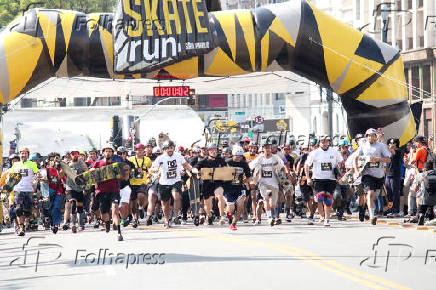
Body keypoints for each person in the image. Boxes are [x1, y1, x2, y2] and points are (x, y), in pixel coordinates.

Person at [151, 140, 192, 228]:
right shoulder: (160, 158)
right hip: (164, 182)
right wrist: (155, 172)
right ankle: (166, 220)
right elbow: (152, 169)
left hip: (176, 181)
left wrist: (192, 170)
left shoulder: (178, 156)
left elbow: (186, 165)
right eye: (167, 148)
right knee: (165, 204)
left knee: (176, 196)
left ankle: (175, 216)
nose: (169, 150)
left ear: (173, 148)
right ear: (164, 149)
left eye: (171, 148)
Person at [354, 128, 391, 225]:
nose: (371, 137)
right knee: (370, 194)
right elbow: (355, 159)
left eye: (373, 135)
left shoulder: (381, 146)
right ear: (366, 137)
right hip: (367, 174)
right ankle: (372, 216)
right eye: (369, 135)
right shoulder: (363, 146)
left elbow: (388, 160)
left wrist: (377, 159)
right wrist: (357, 171)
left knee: (373, 197)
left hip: (379, 175)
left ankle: (363, 208)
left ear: (376, 137)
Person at [305, 136, 343, 227]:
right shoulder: (315, 153)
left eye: (326, 141)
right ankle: (314, 211)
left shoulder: (334, 151)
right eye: (322, 141)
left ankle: (327, 219)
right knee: (320, 197)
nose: (324, 143)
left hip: (331, 178)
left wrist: (339, 173)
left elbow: (341, 162)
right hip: (318, 179)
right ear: (319, 142)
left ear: (329, 142)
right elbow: (307, 165)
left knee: (328, 199)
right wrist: (308, 178)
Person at [91, 146, 126, 241]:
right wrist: (92, 171)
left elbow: (123, 177)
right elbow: (90, 174)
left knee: (115, 209)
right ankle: (107, 222)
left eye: (110, 151)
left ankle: (119, 232)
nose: (108, 153)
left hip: (114, 190)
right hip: (101, 191)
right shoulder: (98, 163)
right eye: (106, 151)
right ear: (103, 153)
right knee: (104, 214)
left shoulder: (116, 164)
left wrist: (119, 175)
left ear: (112, 153)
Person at [250, 139, 286, 226]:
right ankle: (269, 218)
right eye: (266, 148)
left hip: (274, 183)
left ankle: (271, 214)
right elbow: (251, 166)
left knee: (273, 204)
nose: (268, 150)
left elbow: (282, 168)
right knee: (266, 198)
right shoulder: (260, 159)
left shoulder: (276, 158)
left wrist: (282, 180)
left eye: (269, 148)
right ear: (263, 148)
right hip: (263, 183)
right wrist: (255, 176)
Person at [194, 143, 227, 225]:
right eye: (211, 150)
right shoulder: (203, 161)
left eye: (215, 150)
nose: (214, 152)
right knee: (207, 205)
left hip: (218, 183)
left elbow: (227, 169)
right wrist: (196, 171)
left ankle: (222, 216)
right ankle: (209, 215)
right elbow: (195, 168)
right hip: (207, 184)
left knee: (220, 196)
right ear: (208, 151)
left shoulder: (221, 160)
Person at [10, 147, 40, 236]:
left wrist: (38, 177)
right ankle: (21, 228)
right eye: (22, 153)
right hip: (18, 190)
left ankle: (26, 223)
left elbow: (37, 174)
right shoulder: (15, 165)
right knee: (18, 209)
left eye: (25, 153)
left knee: (28, 211)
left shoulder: (32, 164)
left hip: (29, 190)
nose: (23, 155)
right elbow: (11, 177)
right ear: (20, 154)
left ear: (28, 155)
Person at [223, 146, 252, 230]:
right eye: (237, 156)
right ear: (233, 155)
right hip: (228, 188)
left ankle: (233, 224)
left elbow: (248, 176)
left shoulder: (244, 163)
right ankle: (228, 213)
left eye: (240, 156)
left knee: (240, 206)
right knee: (231, 210)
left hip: (239, 187)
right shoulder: (227, 162)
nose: (239, 158)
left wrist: (250, 182)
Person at [128, 143, 152, 228]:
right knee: (134, 203)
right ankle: (135, 219)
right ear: (135, 151)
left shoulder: (147, 159)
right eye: (138, 150)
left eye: (142, 150)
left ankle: (141, 207)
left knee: (141, 196)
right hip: (132, 183)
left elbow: (151, 169)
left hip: (142, 182)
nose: (140, 151)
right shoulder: (130, 159)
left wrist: (150, 176)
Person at [63, 151, 88, 233]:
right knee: (73, 203)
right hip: (70, 187)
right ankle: (73, 224)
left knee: (80, 206)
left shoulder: (82, 164)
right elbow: (60, 175)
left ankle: (80, 224)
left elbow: (87, 173)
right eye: (73, 154)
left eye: (76, 154)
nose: (75, 156)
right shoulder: (67, 164)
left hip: (79, 187)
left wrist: (86, 184)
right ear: (70, 155)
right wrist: (61, 167)